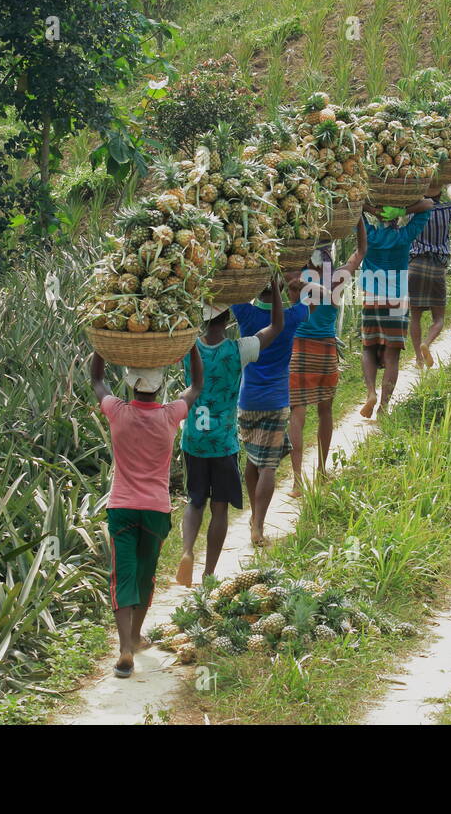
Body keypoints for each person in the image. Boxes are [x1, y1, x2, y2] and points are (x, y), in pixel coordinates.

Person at [90, 347, 202, 678]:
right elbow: (197, 386)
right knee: (145, 575)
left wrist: (103, 342)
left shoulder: (116, 411)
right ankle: (136, 636)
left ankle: (125, 647)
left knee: (121, 576)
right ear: (160, 387)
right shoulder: (170, 414)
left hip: (122, 507)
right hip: (156, 509)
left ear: (131, 385)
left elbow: (96, 378)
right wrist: (192, 346)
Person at [175, 278, 285, 588]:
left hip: (193, 438)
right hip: (222, 442)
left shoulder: (187, 347)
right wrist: (275, 288)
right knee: (219, 507)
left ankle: (186, 552)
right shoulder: (239, 350)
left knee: (195, 501)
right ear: (228, 319)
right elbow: (276, 327)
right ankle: (209, 573)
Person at [288, 221, 367, 491]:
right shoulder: (336, 279)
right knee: (325, 412)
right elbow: (360, 252)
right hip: (326, 351)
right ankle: (321, 471)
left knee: (297, 414)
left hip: (297, 350)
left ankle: (297, 480)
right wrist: (358, 222)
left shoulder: (294, 281)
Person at [233, 283, 311, 545]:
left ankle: (255, 516)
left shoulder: (246, 314)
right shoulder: (289, 318)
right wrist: (296, 286)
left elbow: (231, 293)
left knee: (253, 459)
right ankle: (258, 526)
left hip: (247, 400)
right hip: (276, 400)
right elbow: (308, 301)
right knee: (268, 466)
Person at [359, 199, 433, 420]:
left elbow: (355, 210)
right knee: (392, 357)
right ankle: (383, 407)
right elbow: (427, 205)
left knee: (368, 348)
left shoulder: (369, 236)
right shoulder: (404, 237)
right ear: (397, 221)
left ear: (380, 221)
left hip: (372, 299)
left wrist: (373, 209)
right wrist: (403, 209)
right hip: (397, 301)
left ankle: (370, 392)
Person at [408, 180, 451, 367]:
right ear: (439, 194)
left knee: (415, 316)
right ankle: (427, 342)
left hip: (415, 266)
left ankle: (418, 358)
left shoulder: (412, 210)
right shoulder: (446, 210)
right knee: (438, 317)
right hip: (437, 267)